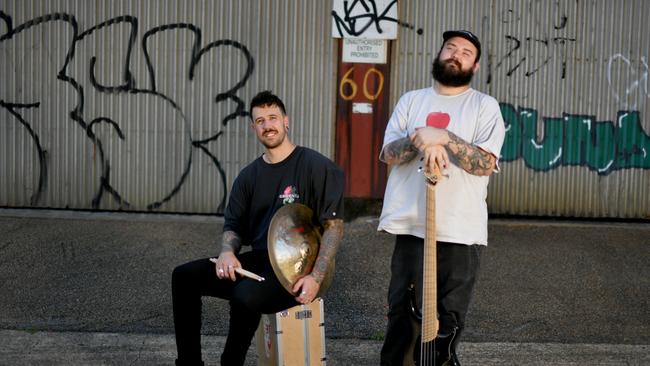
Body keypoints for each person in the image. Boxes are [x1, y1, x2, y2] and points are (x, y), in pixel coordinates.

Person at [171, 91, 345, 366]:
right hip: (261, 261)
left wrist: (316, 277)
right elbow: (234, 226)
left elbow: (334, 227)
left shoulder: (316, 166)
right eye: (260, 121)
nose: (268, 125)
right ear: (254, 128)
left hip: (299, 271)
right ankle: (189, 362)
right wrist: (227, 252)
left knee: (244, 296)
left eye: (273, 118)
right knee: (183, 277)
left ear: (286, 122)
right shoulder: (248, 176)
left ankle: (231, 362)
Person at [378, 30, 506, 365]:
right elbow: (388, 154)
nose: (455, 54)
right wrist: (420, 139)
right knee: (401, 318)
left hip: (459, 229)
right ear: (439, 54)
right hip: (411, 226)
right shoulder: (411, 101)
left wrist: (445, 137)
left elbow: (484, 164)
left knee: (448, 322)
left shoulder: (484, 106)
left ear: (475, 65)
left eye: (465, 52)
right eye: (450, 48)